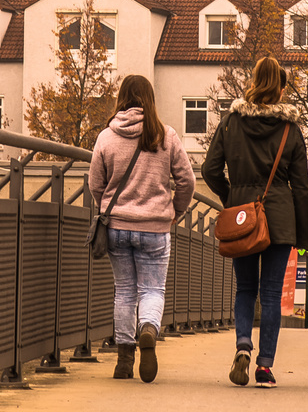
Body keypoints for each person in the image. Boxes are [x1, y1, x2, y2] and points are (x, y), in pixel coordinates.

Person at [201, 56, 308, 389]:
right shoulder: (290, 128)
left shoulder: (231, 121)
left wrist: (232, 198)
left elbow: (209, 170)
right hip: (278, 218)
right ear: (279, 86)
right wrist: (304, 232)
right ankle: (265, 366)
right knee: (272, 292)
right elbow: (301, 184)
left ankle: (243, 344)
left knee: (246, 288)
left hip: (243, 216)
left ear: (252, 81)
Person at [89, 74, 195, 383]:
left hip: (117, 226)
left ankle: (124, 360)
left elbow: (95, 184)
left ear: (122, 99)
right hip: (155, 228)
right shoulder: (166, 135)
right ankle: (148, 328)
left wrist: (109, 206)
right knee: (152, 289)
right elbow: (186, 180)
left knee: (124, 291)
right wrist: (176, 210)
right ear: (150, 100)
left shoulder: (106, 137)